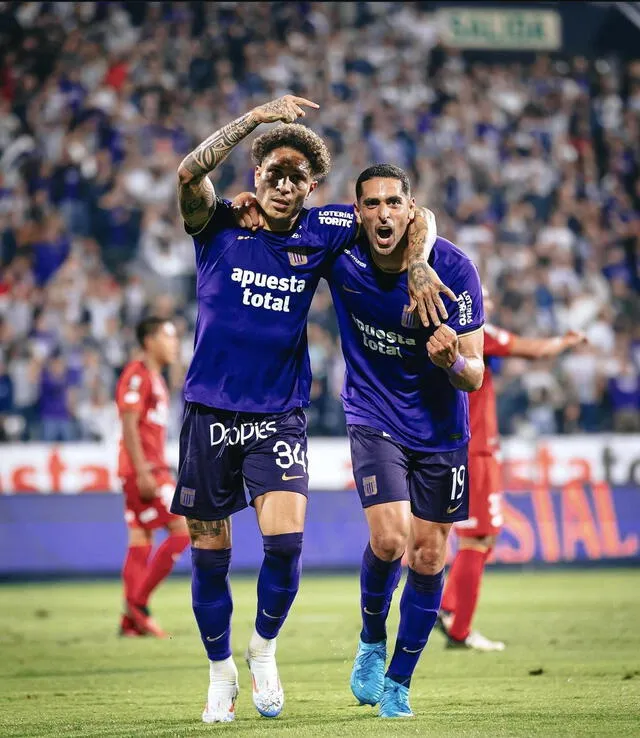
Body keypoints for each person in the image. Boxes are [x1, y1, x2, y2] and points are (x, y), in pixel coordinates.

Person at [170, 95, 451, 724]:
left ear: (311, 186)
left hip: (279, 412)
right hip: (209, 410)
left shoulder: (324, 230)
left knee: (285, 543)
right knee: (209, 549)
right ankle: (221, 674)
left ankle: (263, 649)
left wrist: (421, 263)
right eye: (273, 171)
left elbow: (416, 214)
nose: (284, 184)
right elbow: (188, 173)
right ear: (256, 176)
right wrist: (254, 121)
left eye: (297, 175)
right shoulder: (217, 224)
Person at [322, 164, 485, 718]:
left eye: (394, 202)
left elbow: (476, 374)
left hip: (440, 429)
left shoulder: (455, 269)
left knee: (429, 553)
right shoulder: (340, 248)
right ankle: (371, 638)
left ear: (410, 208)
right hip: (373, 414)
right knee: (390, 541)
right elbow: (285, 225)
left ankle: (400, 681)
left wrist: (451, 360)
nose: (383, 213)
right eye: (372, 204)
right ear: (357, 209)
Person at [438, 290, 587, 650]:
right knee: (478, 537)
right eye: (482, 298)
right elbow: (532, 350)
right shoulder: (473, 333)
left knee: (481, 538)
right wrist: (565, 341)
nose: (485, 305)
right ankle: (458, 628)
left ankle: (445, 609)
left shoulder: (440, 336)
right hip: (474, 449)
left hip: (465, 446)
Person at [115, 316, 189, 638]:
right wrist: (144, 471)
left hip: (148, 469)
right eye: (168, 336)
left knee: (140, 539)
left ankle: (130, 623)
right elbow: (129, 425)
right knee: (185, 529)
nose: (174, 344)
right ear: (149, 341)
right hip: (146, 472)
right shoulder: (137, 375)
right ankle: (139, 605)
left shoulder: (156, 378)